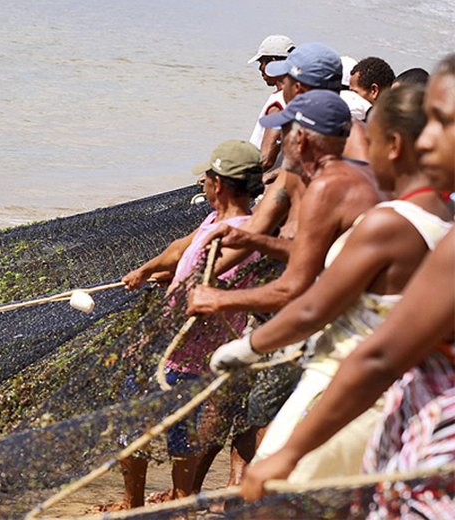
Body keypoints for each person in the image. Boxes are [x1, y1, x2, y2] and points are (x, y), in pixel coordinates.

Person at [241, 54, 455, 517]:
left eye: (444, 122)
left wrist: (248, 347)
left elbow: (367, 348)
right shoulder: (443, 220)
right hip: (399, 406)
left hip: (363, 393)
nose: (430, 139)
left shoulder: (389, 220)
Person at [117, 140, 263, 508]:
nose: (202, 182)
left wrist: (152, 335)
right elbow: (182, 247)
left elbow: (210, 280)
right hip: (174, 348)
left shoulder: (243, 234)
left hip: (185, 352)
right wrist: (148, 270)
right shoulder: (215, 220)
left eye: (208, 177)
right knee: (169, 434)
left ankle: (172, 507)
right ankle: (139, 505)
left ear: (223, 184)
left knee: (149, 433)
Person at [188, 89, 383, 316]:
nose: (279, 140)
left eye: (283, 132)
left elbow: (292, 288)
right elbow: (310, 254)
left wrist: (219, 299)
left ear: (299, 139)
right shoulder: (358, 173)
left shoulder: (326, 188)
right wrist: (251, 240)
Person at [247, 35, 296, 174]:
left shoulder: (279, 102)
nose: (260, 69)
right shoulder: (300, 95)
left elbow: (266, 158)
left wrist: (232, 177)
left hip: (262, 181)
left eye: (261, 62)